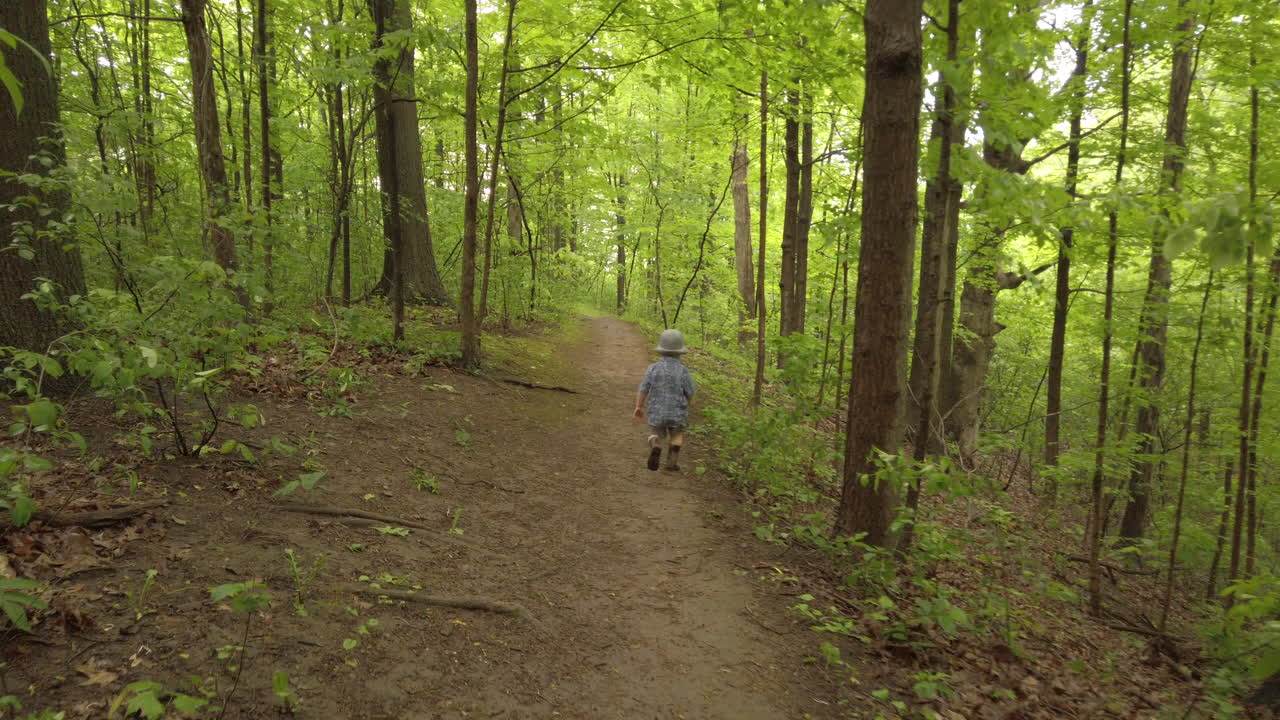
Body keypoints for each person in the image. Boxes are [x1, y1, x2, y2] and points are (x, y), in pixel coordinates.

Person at [634, 329, 696, 471]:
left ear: (660, 350)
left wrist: (639, 406)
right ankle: (671, 462)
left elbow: (643, 389)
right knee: (677, 435)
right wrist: (689, 405)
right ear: (680, 351)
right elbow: (691, 392)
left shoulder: (653, 369)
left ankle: (655, 444)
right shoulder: (684, 371)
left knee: (654, 432)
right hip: (678, 413)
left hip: (657, 411)